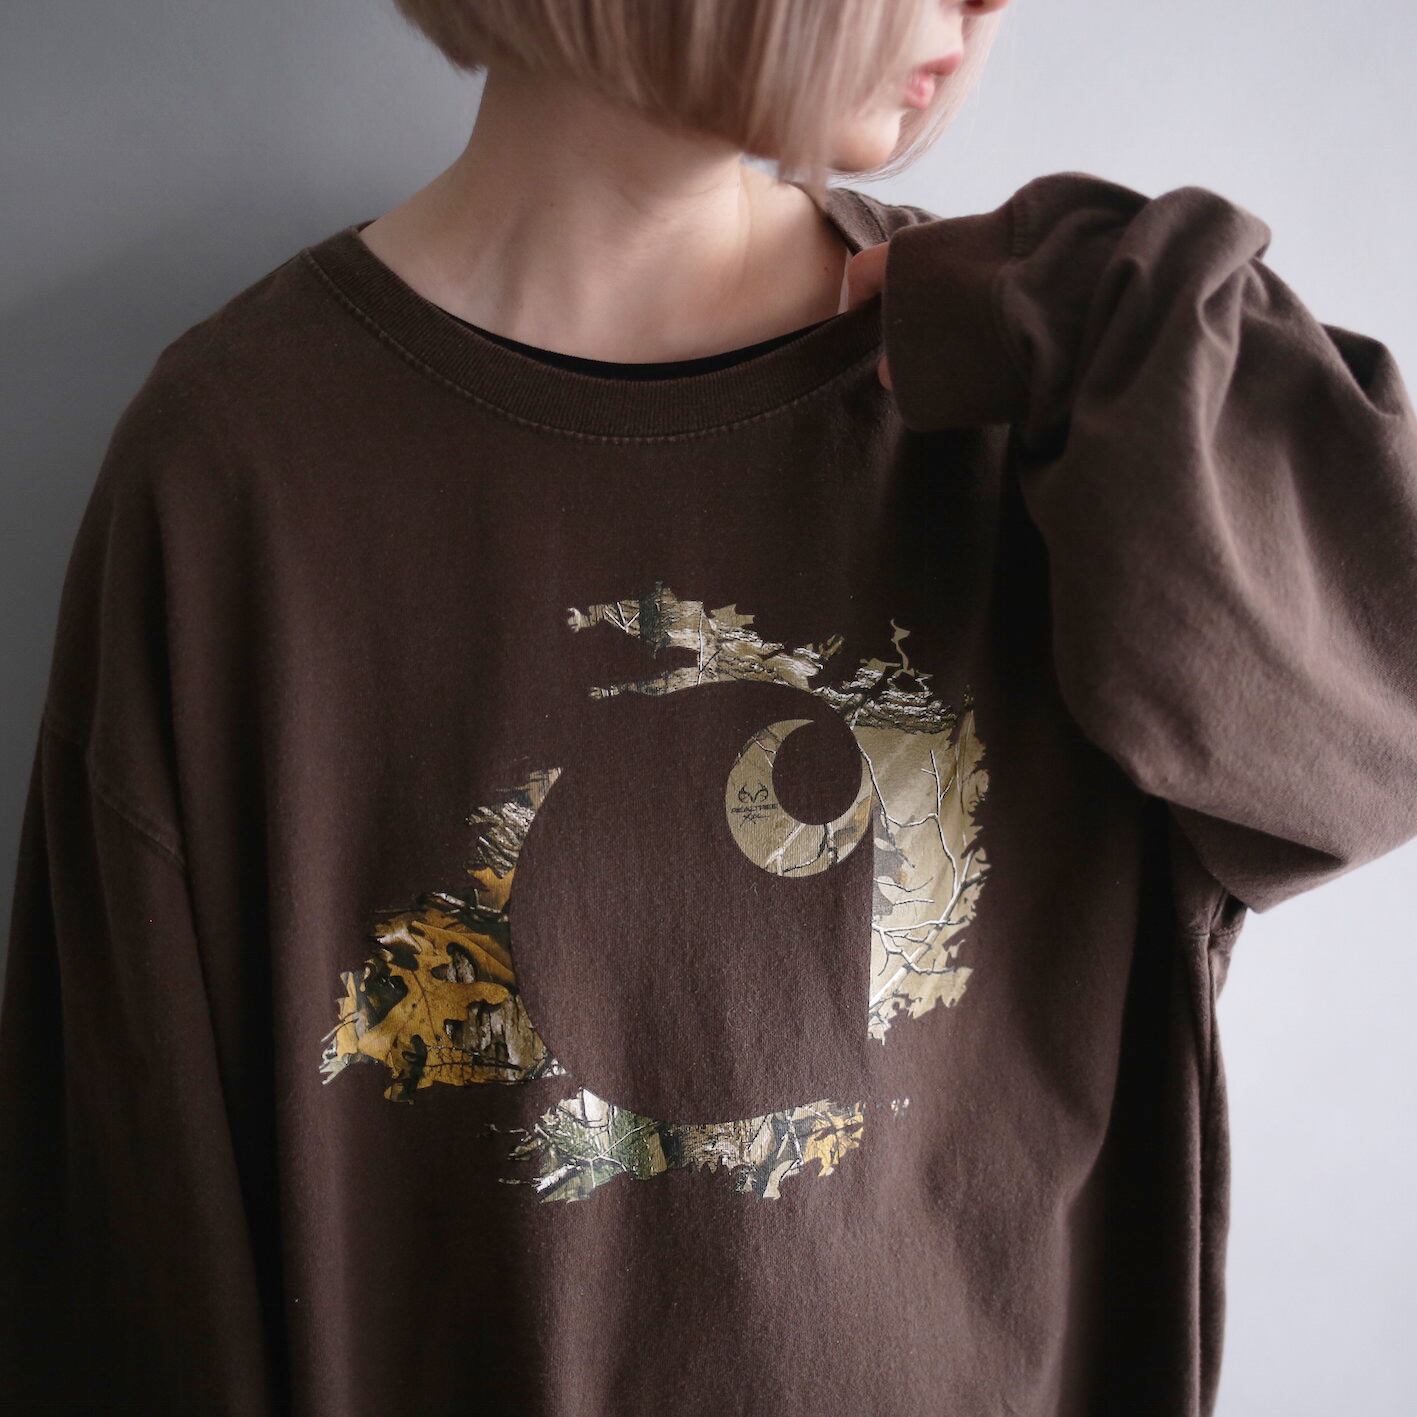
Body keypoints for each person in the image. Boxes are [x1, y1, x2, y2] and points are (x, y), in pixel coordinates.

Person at [2, 0, 1414, 1412]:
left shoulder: (1052, 413)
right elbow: (130, 1251)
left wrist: (1127, 323)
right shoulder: (240, 478)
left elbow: (1376, 720)